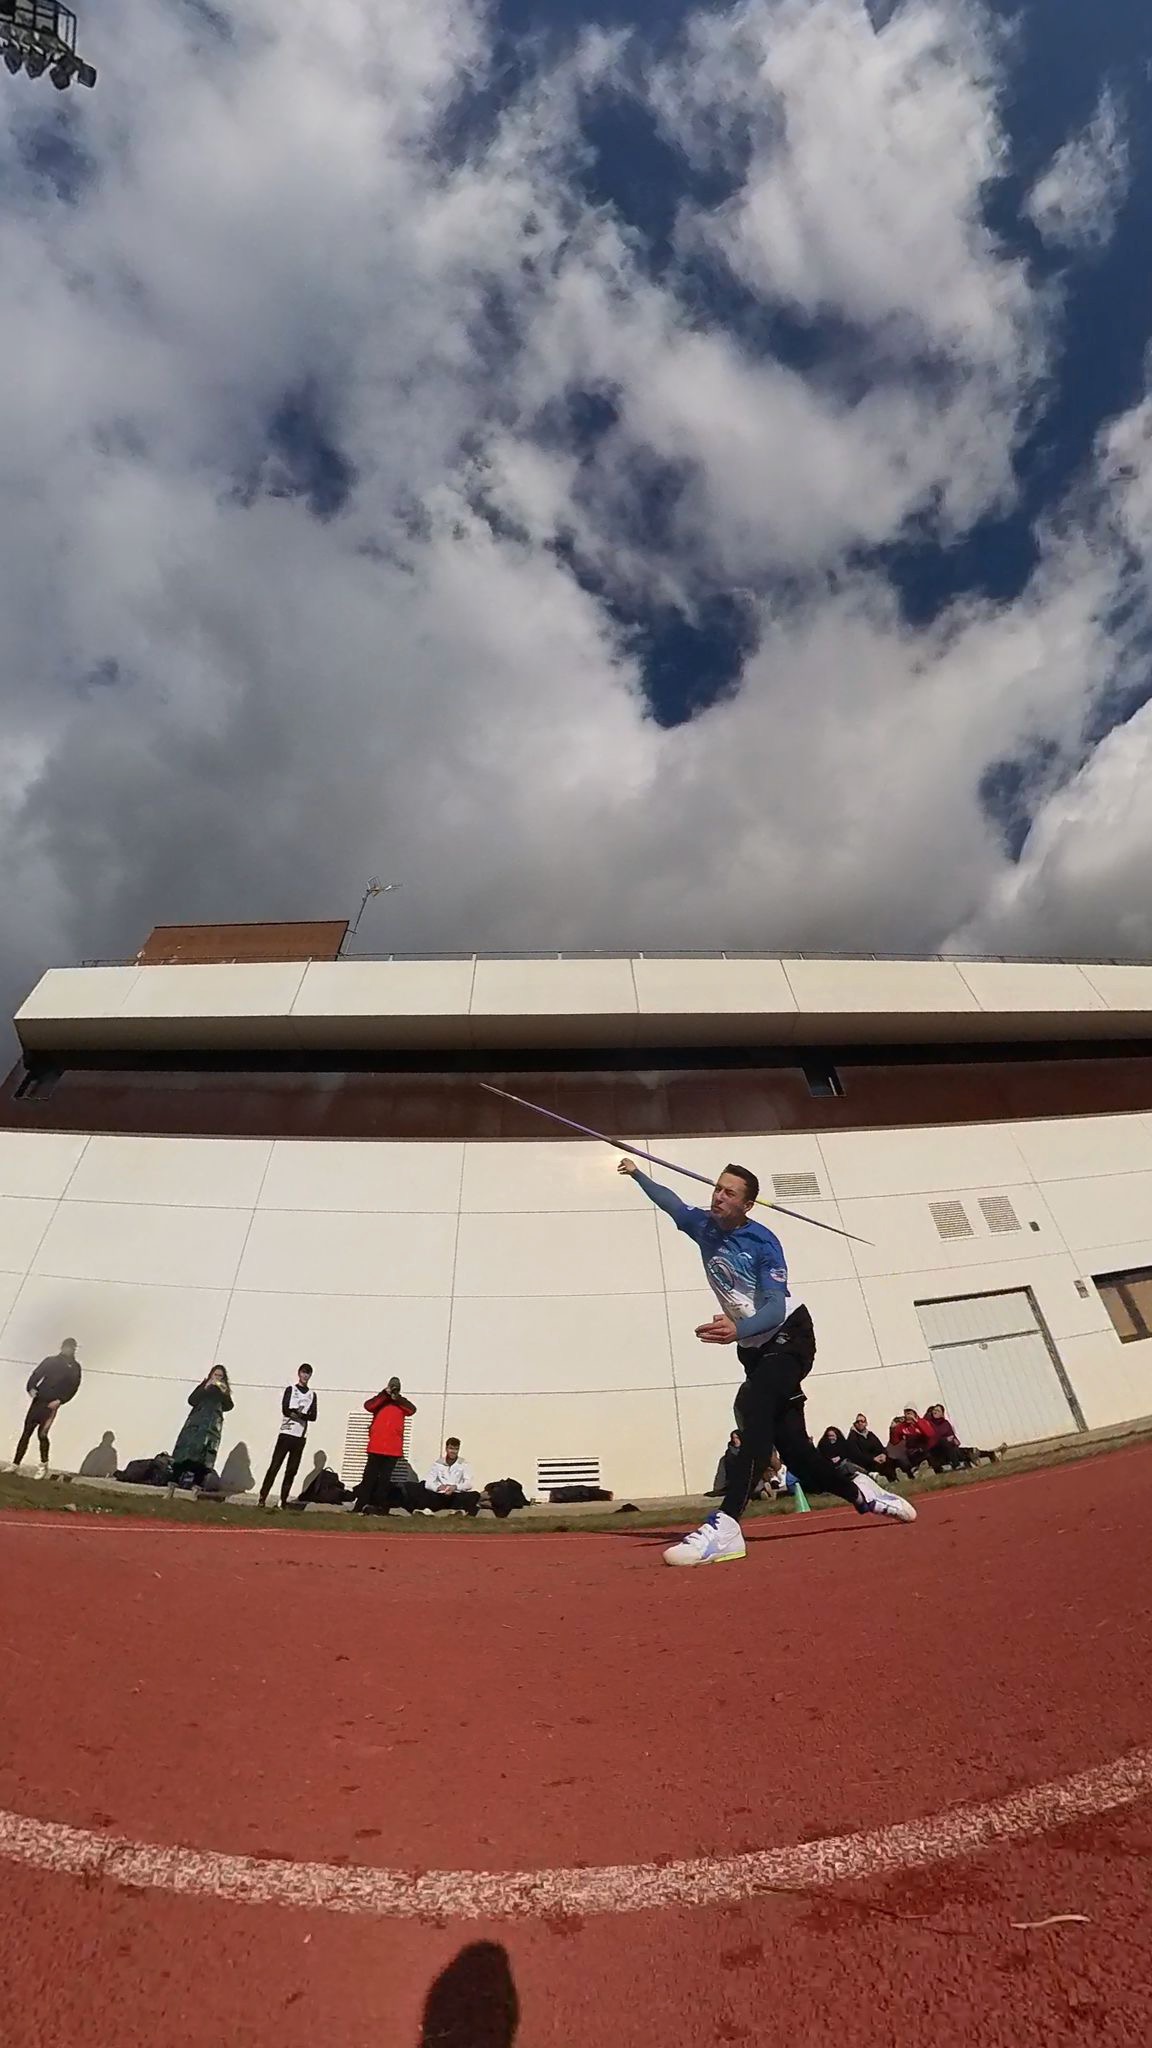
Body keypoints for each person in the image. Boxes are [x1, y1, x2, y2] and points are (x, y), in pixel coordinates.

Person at [619, 1157, 915, 1564]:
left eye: (729, 1193)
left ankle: (726, 1525)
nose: (718, 1197)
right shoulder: (703, 1225)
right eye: (717, 1188)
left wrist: (737, 1329)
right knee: (797, 1454)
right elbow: (671, 1203)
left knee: (751, 1404)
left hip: (789, 1335)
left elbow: (775, 1309)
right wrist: (637, 1174)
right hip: (754, 1348)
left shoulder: (763, 1243)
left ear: (747, 1205)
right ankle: (863, 1492)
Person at [14, 1339, 82, 1477]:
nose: (68, 1350)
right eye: (66, 1347)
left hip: (52, 1404)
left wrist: (60, 1400)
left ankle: (43, 1464)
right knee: (26, 1432)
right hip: (39, 1400)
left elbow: (73, 1387)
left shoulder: (74, 1367)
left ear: (74, 1349)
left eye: (71, 1348)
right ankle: (15, 1463)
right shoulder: (51, 1361)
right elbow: (36, 1374)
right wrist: (31, 1388)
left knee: (42, 1434)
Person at [258, 1363, 318, 1509]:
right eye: (303, 1372)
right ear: (299, 1373)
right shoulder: (291, 1389)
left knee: (291, 1470)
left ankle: (283, 1500)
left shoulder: (312, 1394)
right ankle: (263, 1496)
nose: (305, 1376)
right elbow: (285, 1410)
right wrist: (296, 1413)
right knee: (275, 1466)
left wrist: (300, 1415)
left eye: (308, 1373)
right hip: (286, 1433)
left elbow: (313, 1416)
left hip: (300, 1437)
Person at [168, 1366, 233, 1498]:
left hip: (211, 1429)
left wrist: (225, 1393)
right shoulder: (204, 1386)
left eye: (220, 1376)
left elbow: (228, 1406)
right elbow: (192, 1400)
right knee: (183, 1455)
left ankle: (195, 1491)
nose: (217, 1378)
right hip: (195, 1425)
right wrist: (205, 1387)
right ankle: (171, 1489)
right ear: (211, 1375)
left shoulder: (223, 1390)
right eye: (215, 1375)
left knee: (203, 1459)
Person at [355, 1377, 416, 1515]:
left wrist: (397, 1398)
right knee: (368, 1478)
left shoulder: (401, 1402)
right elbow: (368, 1406)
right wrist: (385, 1394)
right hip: (376, 1446)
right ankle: (360, 1505)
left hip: (392, 1449)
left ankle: (379, 1507)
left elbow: (412, 1410)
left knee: (384, 1480)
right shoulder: (380, 1400)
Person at [412, 1438, 482, 1516]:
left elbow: (469, 1484)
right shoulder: (438, 1463)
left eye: (456, 1449)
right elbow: (428, 1482)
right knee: (423, 1489)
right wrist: (438, 1487)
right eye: (451, 1448)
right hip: (440, 1495)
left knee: (475, 1495)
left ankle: (457, 1510)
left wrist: (455, 1487)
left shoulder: (464, 1464)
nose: (453, 1452)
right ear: (446, 1449)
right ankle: (425, 1510)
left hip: (456, 1494)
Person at [922, 1402, 999, 1471]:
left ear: (942, 1414)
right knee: (951, 1446)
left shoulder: (945, 1423)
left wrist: (953, 1440)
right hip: (938, 1450)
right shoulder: (929, 1423)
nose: (935, 1412)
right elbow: (933, 1435)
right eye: (934, 1410)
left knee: (962, 1450)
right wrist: (946, 1439)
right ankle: (965, 1460)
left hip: (950, 1448)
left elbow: (951, 1436)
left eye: (938, 1410)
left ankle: (988, 1454)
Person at [844, 1413, 895, 1477]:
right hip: (865, 1463)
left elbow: (880, 1446)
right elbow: (857, 1455)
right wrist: (873, 1459)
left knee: (890, 1460)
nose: (860, 1423)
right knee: (882, 1467)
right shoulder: (852, 1437)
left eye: (862, 1421)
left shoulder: (870, 1434)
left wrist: (883, 1454)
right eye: (857, 1422)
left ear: (866, 1423)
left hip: (877, 1459)